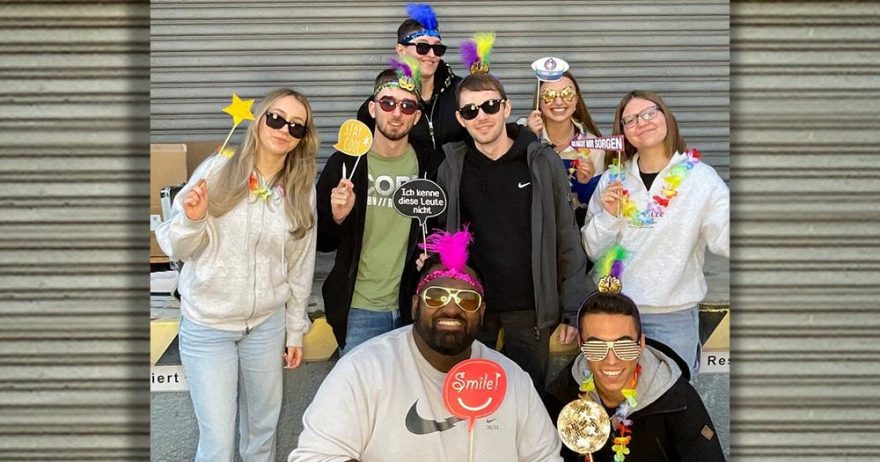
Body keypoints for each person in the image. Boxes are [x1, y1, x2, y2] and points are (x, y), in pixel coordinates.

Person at [289, 229, 563, 462]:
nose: (452, 309)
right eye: (436, 297)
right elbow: (315, 456)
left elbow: (545, 458)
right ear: (415, 305)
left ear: (481, 312)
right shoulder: (363, 371)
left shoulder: (513, 381)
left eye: (467, 300)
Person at [155, 88, 317, 461]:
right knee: (217, 442)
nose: (284, 130)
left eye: (296, 126)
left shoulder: (300, 189)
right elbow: (177, 248)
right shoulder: (217, 169)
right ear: (259, 120)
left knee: (262, 433)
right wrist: (193, 221)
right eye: (276, 118)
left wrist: (295, 329)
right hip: (208, 325)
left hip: (266, 326)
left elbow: (300, 264)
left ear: (302, 138)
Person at [437, 68, 589, 394]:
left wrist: (572, 309)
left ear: (506, 108)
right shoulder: (452, 166)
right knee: (471, 399)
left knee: (528, 399)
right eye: (470, 111)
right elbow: (441, 234)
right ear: (461, 118)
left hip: (530, 310)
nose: (482, 116)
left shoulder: (541, 161)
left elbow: (566, 235)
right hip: (471, 306)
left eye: (490, 106)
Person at [581, 91, 729, 377]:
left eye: (650, 113)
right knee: (615, 397)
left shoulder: (701, 179)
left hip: (672, 316)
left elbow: (725, 235)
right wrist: (609, 216)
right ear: (623, 132)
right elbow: (592, 249)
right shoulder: (613, 179)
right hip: (614, 313)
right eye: (631, 120)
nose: (642, 122)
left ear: (666, 117)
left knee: (672, 397)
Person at [545, 246, 725, 462]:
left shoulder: (677, 400)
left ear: (641, 343)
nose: (611, 360)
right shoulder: (563, 394)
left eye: (623, 346)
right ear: (582, 345)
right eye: (597, 347)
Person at [317, 64, 431, 355]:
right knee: (359, 385)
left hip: (413, 307)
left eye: (407, 106)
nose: (396, 113)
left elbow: (441, 229)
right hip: (359, 308)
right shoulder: (345, 163)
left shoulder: (431, 165)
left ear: (417, 116)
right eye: (388, 103)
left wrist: (434, 259)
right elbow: (321, 242)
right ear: (372, 108)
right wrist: (337, 218)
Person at [356, 3, 465, 176]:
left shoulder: (462, 93)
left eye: (438, 48)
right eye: (422, 47)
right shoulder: (381, 106)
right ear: (401, 50)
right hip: (406, 189)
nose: (431, 55)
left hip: (456, 188)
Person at [526, 70, 606, 229]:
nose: (558, 101)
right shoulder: (522, 133)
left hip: (573, 230)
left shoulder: (593, 145)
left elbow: (596, 207)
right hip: (530, 226)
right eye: (549, 95)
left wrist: (585, 183)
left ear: (576, 100)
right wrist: (528, 138)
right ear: (539, 102)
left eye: (567, 93)